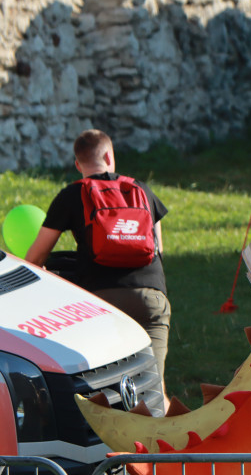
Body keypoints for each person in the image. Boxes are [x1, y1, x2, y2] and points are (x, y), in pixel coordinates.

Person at [26, 129, 171, 396]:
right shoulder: (141, 190)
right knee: (153, 389)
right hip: (151, 296)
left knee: (110, 390)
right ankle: (163, 431)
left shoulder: (72, 195)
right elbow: (158, 250)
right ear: (109, 155)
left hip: (101, 303)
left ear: (77, 164)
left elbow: (35, 257)